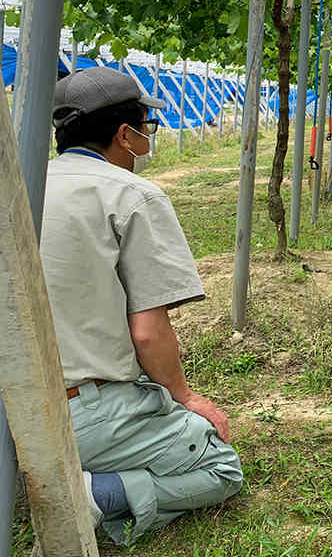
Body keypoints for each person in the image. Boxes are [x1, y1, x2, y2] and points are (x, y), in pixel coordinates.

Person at [39, 66, 242, 545]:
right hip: (78, 411)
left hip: (16, 400)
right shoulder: (130, 195)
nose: (148, 140)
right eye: (145, 129)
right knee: (220, 466)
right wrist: (186, 398)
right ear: (125, 135)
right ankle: (96, 495)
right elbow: (148, 330)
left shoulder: (22, 182)